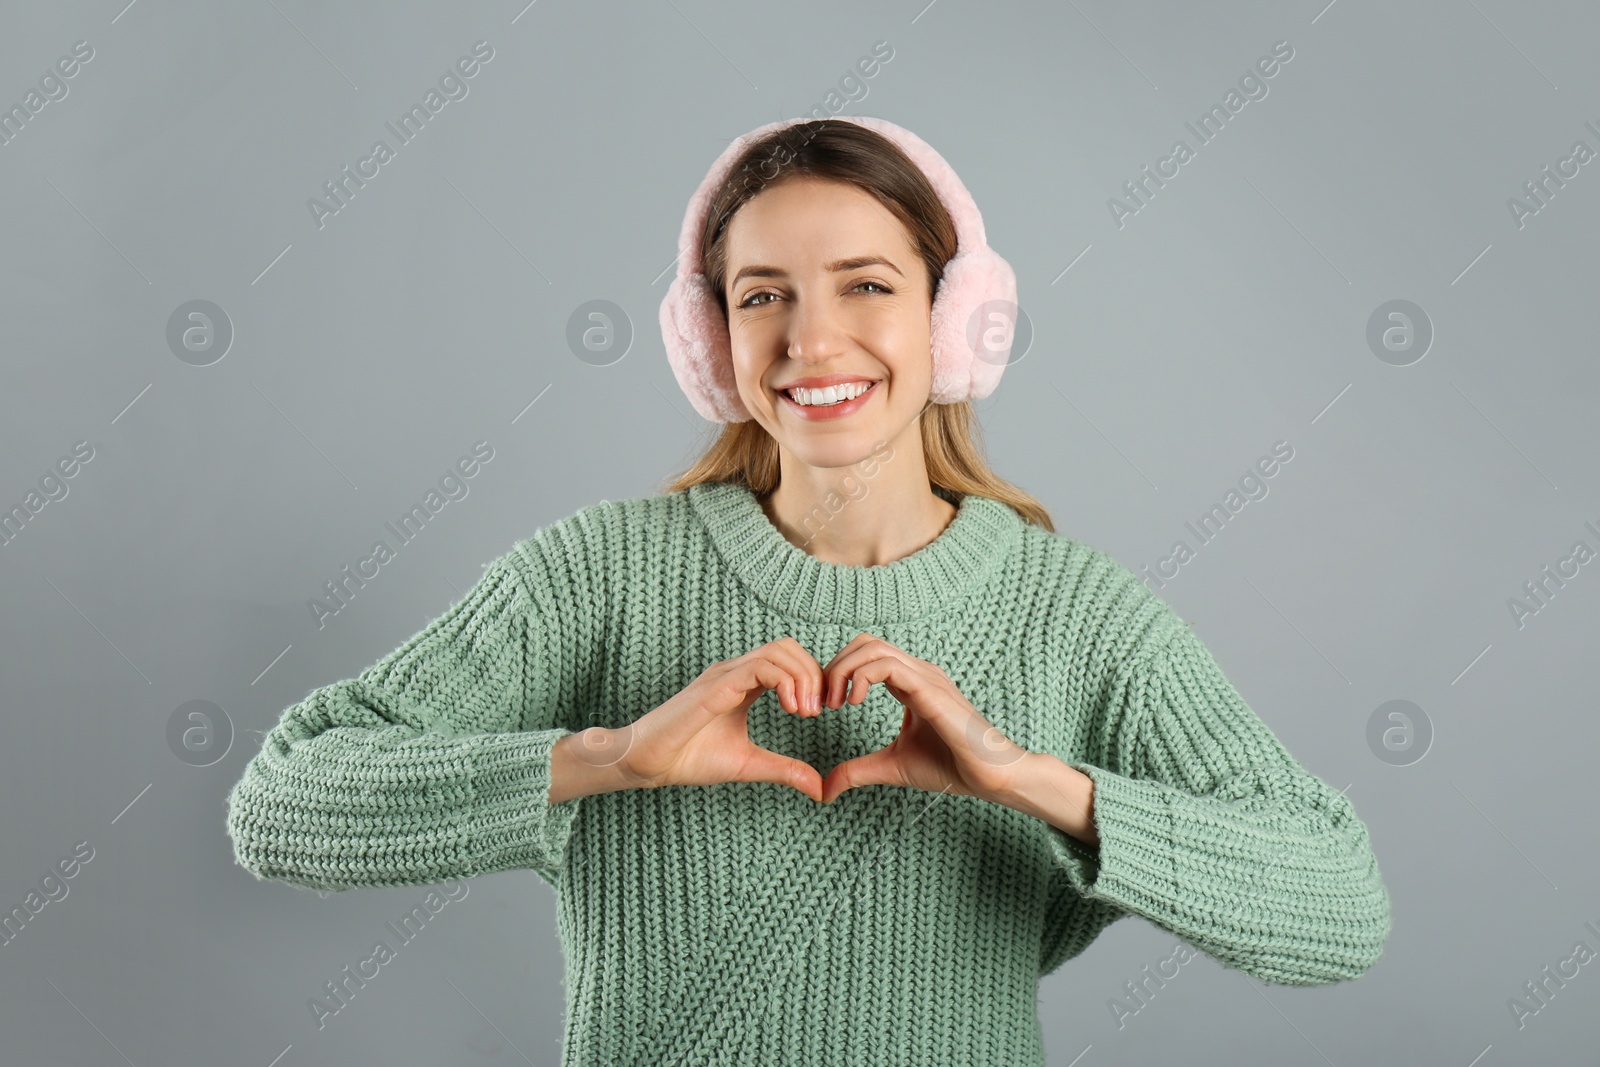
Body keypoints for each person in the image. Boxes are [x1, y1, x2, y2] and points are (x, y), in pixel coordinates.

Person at [225, 116, 1392, 1066]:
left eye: (867, 285)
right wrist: (611, 758)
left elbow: (1340, 903)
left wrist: (1025, 778)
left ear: (952, 320)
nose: (811, 341)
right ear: (710, 340)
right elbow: (282, 804)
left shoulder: (1081, 615)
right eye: (762, 295)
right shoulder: (598, 575)